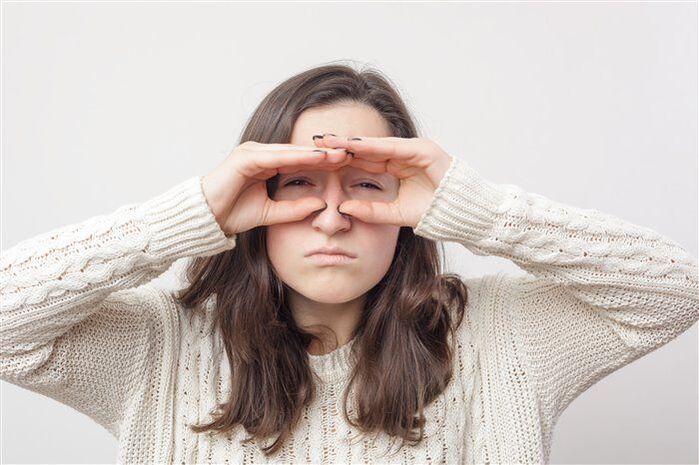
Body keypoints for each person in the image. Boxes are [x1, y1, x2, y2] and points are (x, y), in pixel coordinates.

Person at [1, 63, 697, 465]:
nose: (332, 217)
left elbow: (673, 291)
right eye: (299, 183)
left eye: (366, 185)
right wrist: (188, 216)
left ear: (413, 207)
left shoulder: (499, 335)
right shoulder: (159, 345)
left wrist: (477, 208)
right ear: (252, 197)